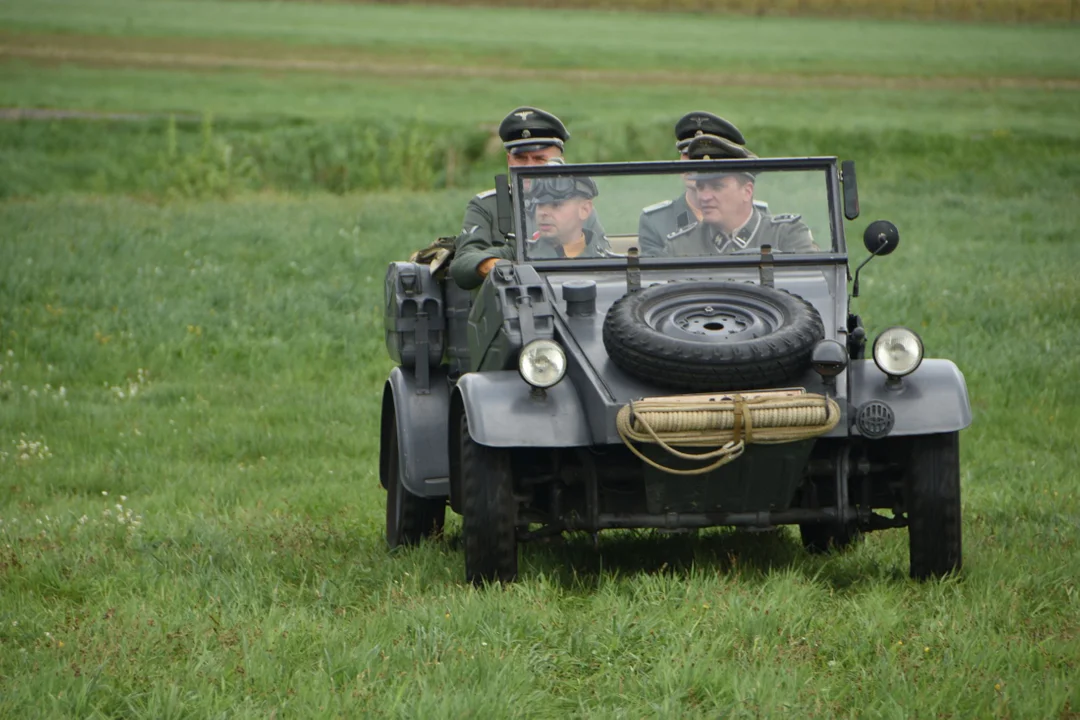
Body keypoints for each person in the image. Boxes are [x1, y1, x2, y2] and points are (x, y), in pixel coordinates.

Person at [450, 106, 580, 289]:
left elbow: (600, 253)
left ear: (559, 161)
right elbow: (463, 263)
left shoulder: (576, 203)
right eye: (520, 158)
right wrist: (499, 266)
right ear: (509, 160)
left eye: (539, 159)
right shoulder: (487, 205)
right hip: (510, 305)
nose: (529, 167)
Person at [662, 134, 817, 257]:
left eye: (717, 186)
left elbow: (814, 289)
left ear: (747, 191)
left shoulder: (786, 236)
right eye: (701, 187)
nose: (704, 196)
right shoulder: (680, 246)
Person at [637, 111, 747, 256]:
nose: (691, 164)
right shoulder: (656, 221)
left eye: (700, 156)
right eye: (687, 155)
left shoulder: (750, 212)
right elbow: (657, 275)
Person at [524, 175, 612, 260]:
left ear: (584, 210)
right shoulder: (521, 255)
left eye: (556, 205)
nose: (543, 213)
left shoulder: (607, 261)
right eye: (539, 204)